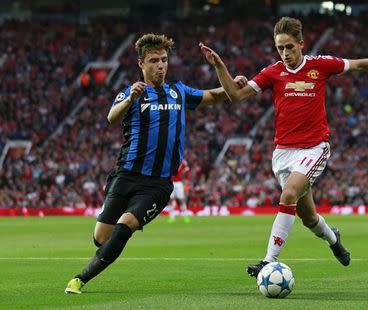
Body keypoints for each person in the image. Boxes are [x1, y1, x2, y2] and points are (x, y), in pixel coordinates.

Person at [200, 16, 368, 277]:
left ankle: (268, 261)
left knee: (288, 194)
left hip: (314, 148)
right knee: (309, 218)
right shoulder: (272, 72)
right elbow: (235, 96)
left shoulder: (320, 65)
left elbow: (358, 65)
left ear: (301, 44)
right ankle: (333, 239)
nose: (285, 53)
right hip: (283, 153)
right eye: (280, 48)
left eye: (289, 47)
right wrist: (220, 67)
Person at [65, 33, 247, 294]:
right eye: (153, 60)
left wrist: (223, 71)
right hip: (125, 176)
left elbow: (219, 96)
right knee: (101, 239)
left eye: (163, 59)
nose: (160, 65)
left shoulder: (178, 91)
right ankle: (96, 260)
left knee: (126, 224)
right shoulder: (132, 93)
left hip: (157, 185)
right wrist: (130, 100)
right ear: (141, 64)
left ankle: (79, 279)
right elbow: (111, 118)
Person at [167, 159, 191, 223]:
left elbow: (187, 169)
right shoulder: (170, 160)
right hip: (170, 182)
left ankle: (186, 216)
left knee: (181, 200)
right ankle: (171, 217)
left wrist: (187, 179)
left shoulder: (182, 161)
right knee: (171, 199)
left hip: (178, 183)